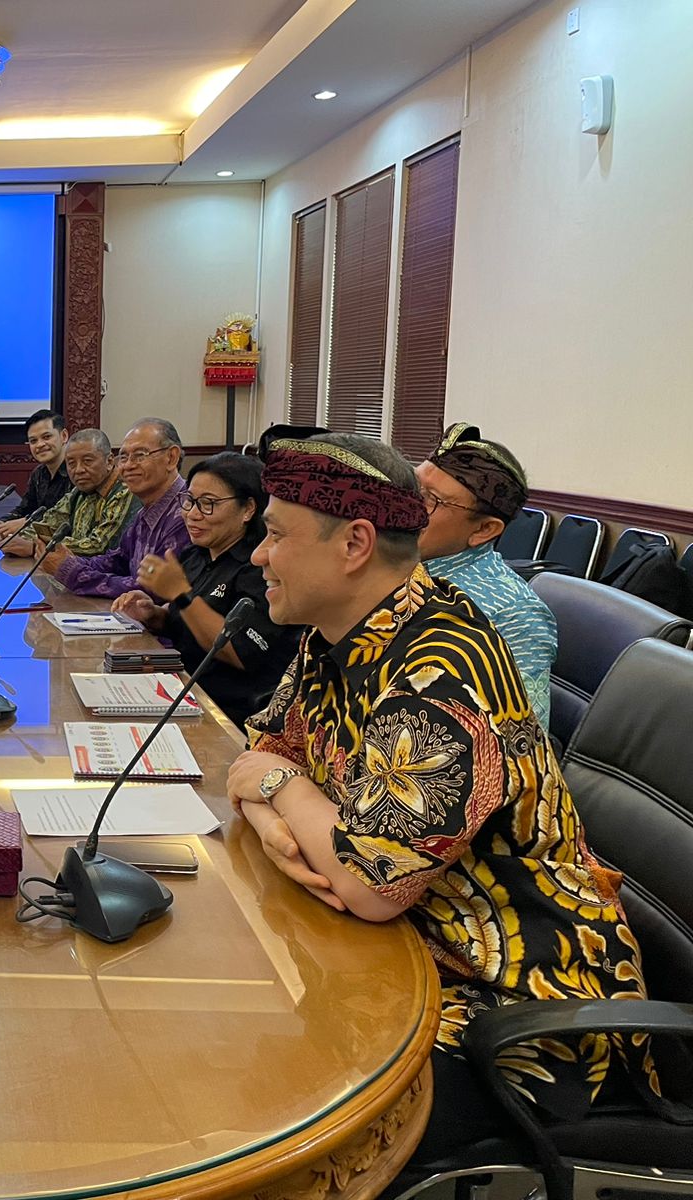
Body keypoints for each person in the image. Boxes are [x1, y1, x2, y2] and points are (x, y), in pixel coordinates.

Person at [227, 427, 661, 1169]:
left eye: (275, 535)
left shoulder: (442, 671)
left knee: (277, 1129)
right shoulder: (337, 628)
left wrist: (279, 789)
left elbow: (369, 884)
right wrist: (277, 815)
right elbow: (260, 752)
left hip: (519, 1004)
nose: (259, 556)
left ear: (355, 544)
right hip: (403, 948)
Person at [112, 452, 300, 728]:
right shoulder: (195, 555)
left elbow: (238, 650)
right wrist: (153, 615)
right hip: (179, 693)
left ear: (248, 509)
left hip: (230, 714)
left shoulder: (261, 568)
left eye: (208, 504)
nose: (192, 514)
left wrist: (181, 594)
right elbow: (184, 620)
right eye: (189, 501)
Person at [416, 423, 557, 730]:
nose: (407, 503)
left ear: (484, 529)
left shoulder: (513, 615)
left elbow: (521, 743)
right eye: (413, 487)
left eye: (431, 499)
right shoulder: (391, 565)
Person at [43, 418, 189, 597]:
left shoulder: (188, 512)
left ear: (171, 457)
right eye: (124, 457)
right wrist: (68, 560)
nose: (128, 466)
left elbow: (152, 588)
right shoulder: (147, 511)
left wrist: (72, 573)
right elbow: (117, 561)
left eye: (140, 455)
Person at [0, 428, 136, 559]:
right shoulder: (79, 490)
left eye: (87, 461)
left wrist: (35, 547)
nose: (78, 470)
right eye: (71, 463)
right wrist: (13, 537)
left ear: (109, 461)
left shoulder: (125, 491)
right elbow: (49, 523)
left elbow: (99, 546)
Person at [0, 409, 70, 540]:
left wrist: (27, 523)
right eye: (33, 441)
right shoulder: (38, 473)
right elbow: (25, 509)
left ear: (64, 436)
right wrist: (1, 523)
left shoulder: (76, 473)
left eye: (46, 437)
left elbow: (67, 518)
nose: (40, 445)